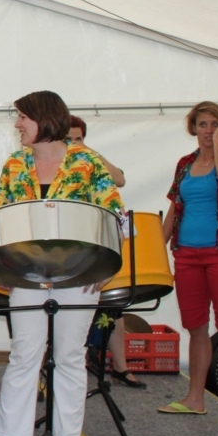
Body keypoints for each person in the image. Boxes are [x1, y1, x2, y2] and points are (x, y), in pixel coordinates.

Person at [0, 91, 123, 436]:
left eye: (22, 117)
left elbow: (116, 216)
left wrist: (105, 268)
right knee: (24, 354)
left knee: (69, 356)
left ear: (44, 118)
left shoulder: (86, 162)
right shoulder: (15, 164)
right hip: (27, 274)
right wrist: (2, 267)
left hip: (79, 274)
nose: (17, 124)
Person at [158, 102, 218, 431]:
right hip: (187, 255)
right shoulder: (185, 164)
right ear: (193, 128)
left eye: (214, 124)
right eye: (202, 124)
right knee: (195, 327)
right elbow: (175, 208)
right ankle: (195, 399)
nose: (208, 130)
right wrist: (157, 248)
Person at [69, 116, 144, 390]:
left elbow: (119, 179)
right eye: (68, 139)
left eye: (78, 138)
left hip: (97, 241)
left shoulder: (92, 162)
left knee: (113, 306)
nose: (73, 144)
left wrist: (90, 153)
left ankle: (120, 367)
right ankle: (48, 373)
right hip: (71, 247)